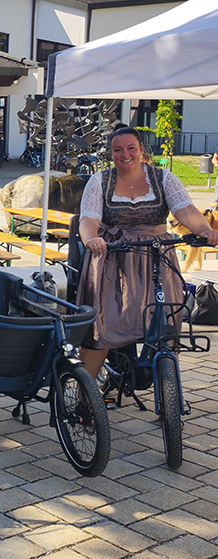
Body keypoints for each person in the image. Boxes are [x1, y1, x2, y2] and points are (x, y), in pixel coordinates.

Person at [76, 126, 218, 378]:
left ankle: (170, 394)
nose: (125, 154)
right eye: (118, 150)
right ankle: (84, 396)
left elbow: (185, 211)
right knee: (105, 325)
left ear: (141, 150)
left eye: (131, 148)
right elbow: (88, 218)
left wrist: (206, 230)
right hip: (113, 258)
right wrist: (92, 239)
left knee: (166, 319)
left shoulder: (163, 178)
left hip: (156, 256)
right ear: (111, 153)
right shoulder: (100, 181)